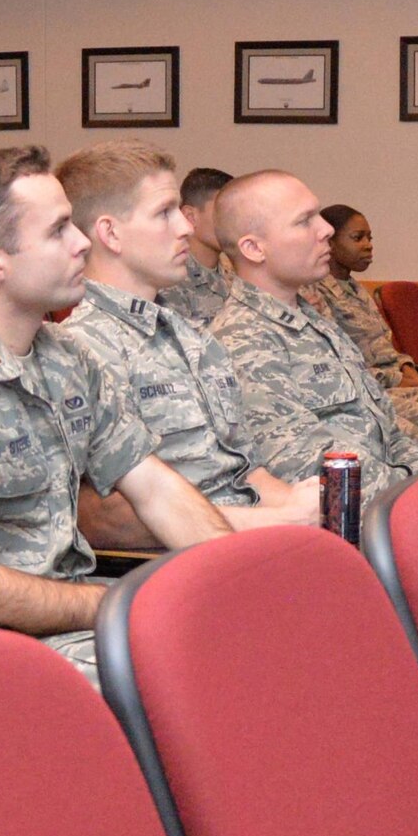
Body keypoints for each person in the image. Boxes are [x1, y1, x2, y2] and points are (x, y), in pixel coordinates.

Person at [0, 146, 234, 681]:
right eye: (58, 231)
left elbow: (153, 487)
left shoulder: (65, 357)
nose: (83, 242)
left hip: (70, 620)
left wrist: (235, 577)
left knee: (253, 631)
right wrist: (115, 606)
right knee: (200, 668)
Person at [53, 140, 318, 542]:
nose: (186, 227)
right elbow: (101, 517)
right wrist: (278, 523)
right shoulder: (81, 350)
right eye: (164, 212)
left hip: (247, 543)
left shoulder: (190, 337)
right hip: (175, 568)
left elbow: (247, 471)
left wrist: (312, 514)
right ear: (110, 233)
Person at [208, 171, 418, 510]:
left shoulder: (315, 324)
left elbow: (387, 433)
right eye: (304, 221)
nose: (326, 230)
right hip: (353, 528)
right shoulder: (244, 342)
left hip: (392, 507)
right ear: (253, 248)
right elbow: (313, 470)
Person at [306, 204, 418, 463]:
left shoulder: (355, 289)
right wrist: (395, 379)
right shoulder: (315, 294)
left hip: (399, 380)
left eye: (370, 238)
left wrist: (406, 367)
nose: (368, 245)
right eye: (357, 238)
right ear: (330, 243)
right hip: (374, 387)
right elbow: (341, 364)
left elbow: (383, 343)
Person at [157, 166, 233, 329]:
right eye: (223, 212)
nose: (234, 223)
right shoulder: (171, 280)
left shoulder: (235, 274)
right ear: (190, 217)